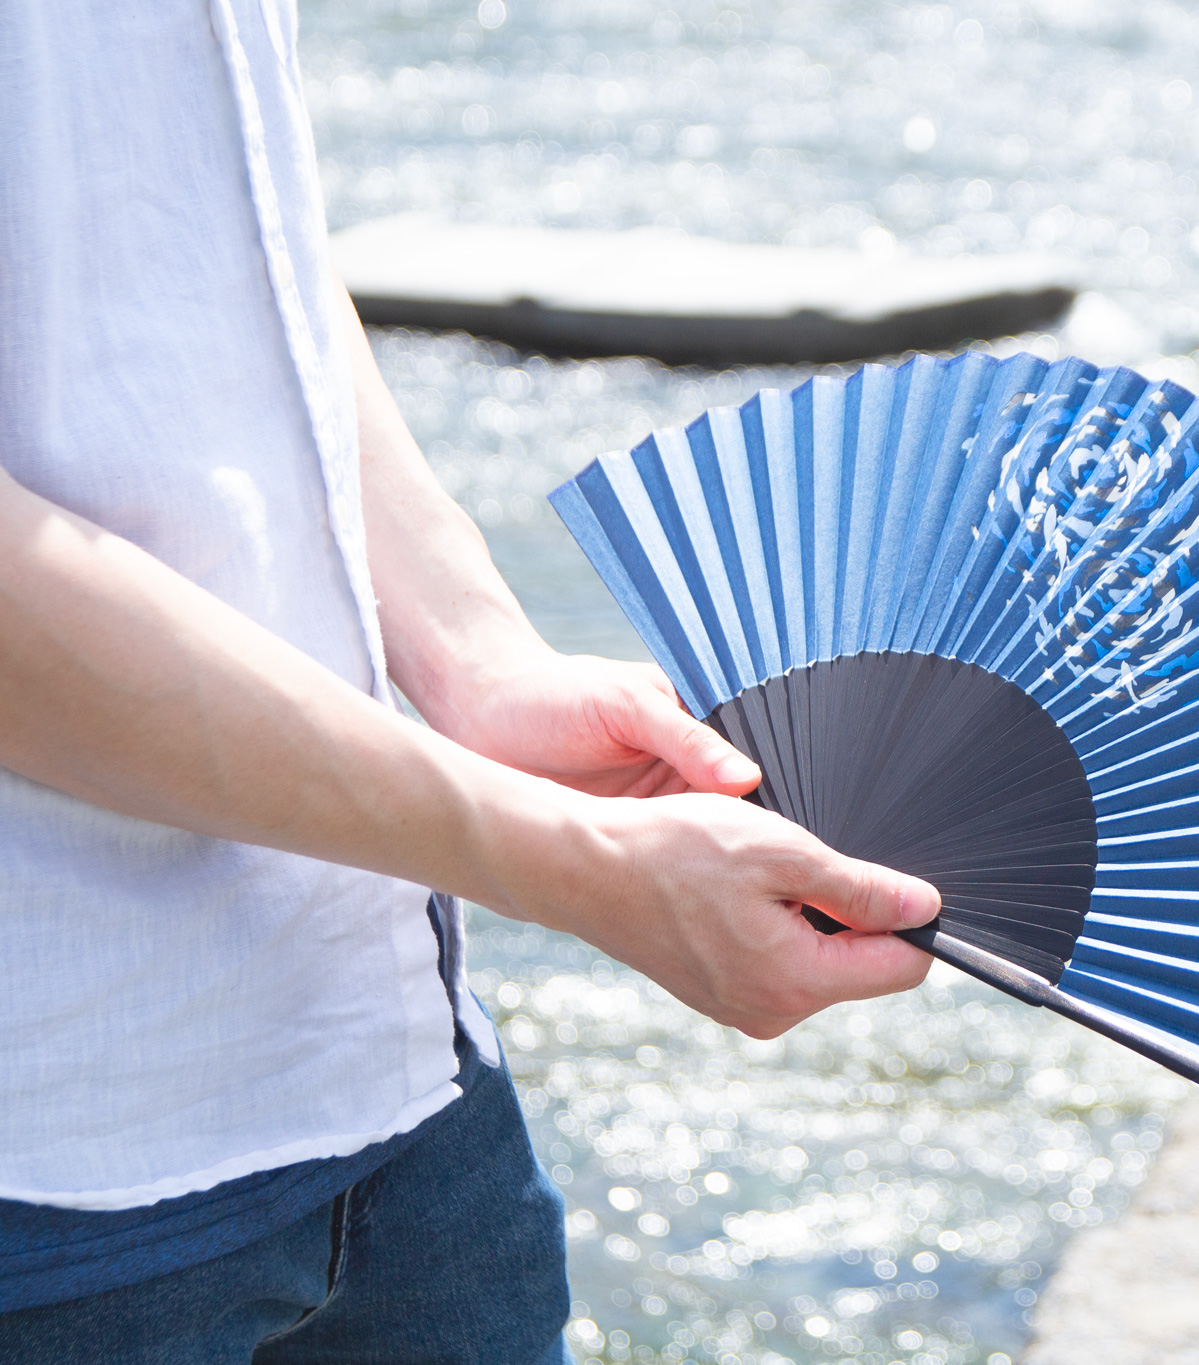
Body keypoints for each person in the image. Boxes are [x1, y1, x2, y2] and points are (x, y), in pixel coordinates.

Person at [0, 1, 939, 1356]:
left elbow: (215, 214)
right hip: (53, 1176)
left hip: (387, 1071)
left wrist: (469, 649)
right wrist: (559, 858)